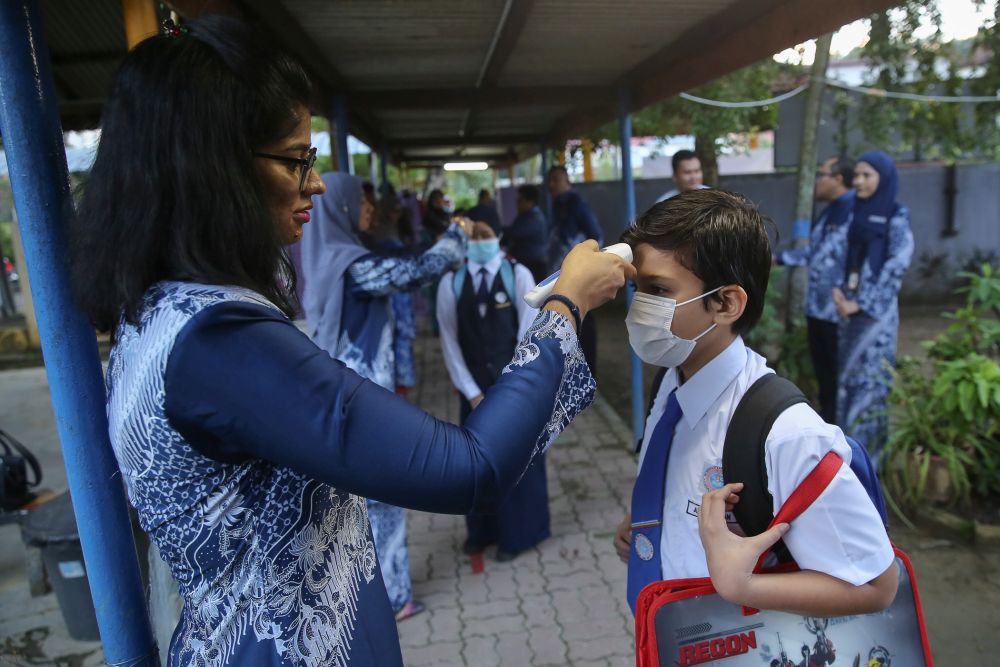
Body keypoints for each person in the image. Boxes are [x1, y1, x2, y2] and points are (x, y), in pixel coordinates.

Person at [72, 17, 632, 665]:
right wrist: (566, 305)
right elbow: (468, 466)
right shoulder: (218, 339)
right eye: (294, 159)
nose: (314, 183)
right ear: (214, 170)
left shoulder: (159, 313)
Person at [612, 189, 897, 618]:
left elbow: (876, 585)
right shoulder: (672, 383)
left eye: (658, 290)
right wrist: (650, 518)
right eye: (637, 288)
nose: (638, 307)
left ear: (726, 302)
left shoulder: (788, 435)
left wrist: (742, 585)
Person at [303, 173, 472, 622]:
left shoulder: (331, 258)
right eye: (361, 200)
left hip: (349, 403)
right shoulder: (352, 268)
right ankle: (392, 599)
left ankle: (367, 594)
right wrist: (456, 236)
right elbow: (416, 272)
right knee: (383, 503)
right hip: (360, 411)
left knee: (365, 506)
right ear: (338, 207)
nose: (370, 208)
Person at [436, 222, 548, 561]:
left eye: (487, 237)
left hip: (514, 388)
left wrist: (510, 388)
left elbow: (528, 335)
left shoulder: (519, 274)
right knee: (476, 464)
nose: (482, 244)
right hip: (473, 390)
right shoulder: (450, 282)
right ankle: (481, 533)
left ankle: (520, 534)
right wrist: (471, 392)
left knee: (519, 461)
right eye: (475, 239)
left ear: (498, 238)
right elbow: (449, 341)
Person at [833, 151, 914, 459]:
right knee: (849, 384)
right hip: (848, 314)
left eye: (867, 176)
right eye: (857, 175)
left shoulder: (896, 215)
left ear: (884, 178)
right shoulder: (856, 212)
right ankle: (849, 458)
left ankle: (872, 463)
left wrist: (862, 303)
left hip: (874, 320)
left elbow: (898, 264)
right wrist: (838, 292)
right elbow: (846, 258)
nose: (860, 182)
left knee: (871, 387)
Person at [776, 156, 856, 423]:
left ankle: (845, 436)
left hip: (838, 312)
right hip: (817, 310)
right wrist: (778, 259)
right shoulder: (830, 211)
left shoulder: (855, 211)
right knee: (825, 377)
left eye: (821, 175)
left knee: (838, 377)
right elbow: (816, 252)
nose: (817, 182)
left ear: (838, 179)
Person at [547, 165, 603, 372]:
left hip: (576, 272)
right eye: (550, 180)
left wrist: (583, 263)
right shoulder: (556, 204)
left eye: (556, 179)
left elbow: (595, 234)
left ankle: (587, 371)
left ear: (566, 180)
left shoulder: (576, 203)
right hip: (562, 272)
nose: (552, 184)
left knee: (583, 319)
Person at [500, 184, 550, 282]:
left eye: (520, 200)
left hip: (534, 266)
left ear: (530, 201)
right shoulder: (525, 216)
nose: (517, 204)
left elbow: (513, 233)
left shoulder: (534, 218)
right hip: (527, 263)